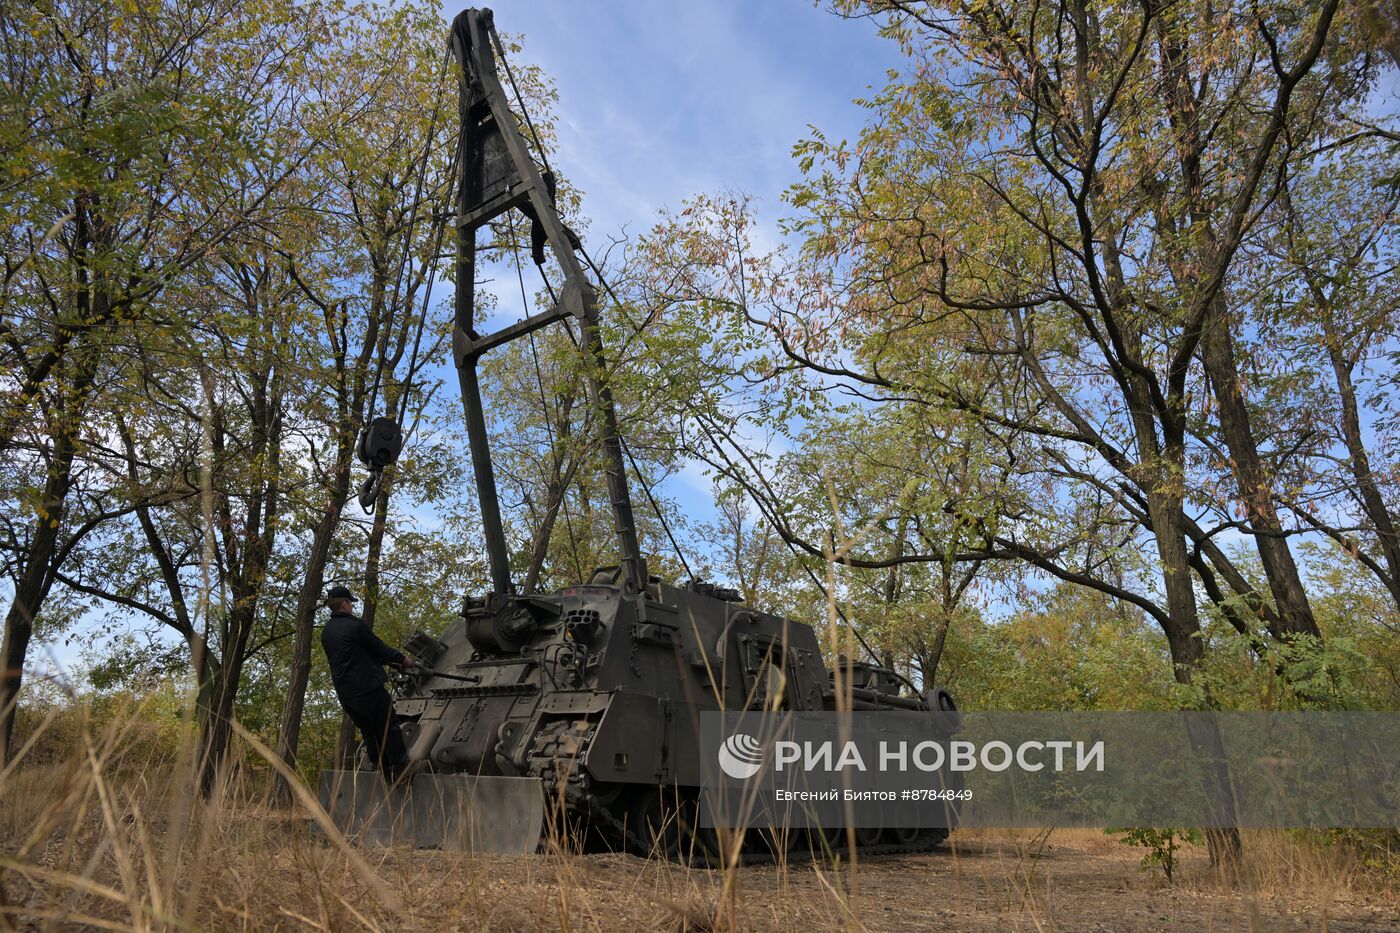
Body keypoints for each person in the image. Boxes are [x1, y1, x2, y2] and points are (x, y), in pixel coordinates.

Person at [320, 584, 413, 783]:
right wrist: (403, 660)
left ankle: (383, 771)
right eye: (350, 603)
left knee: (370, 732)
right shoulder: (354, 626)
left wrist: (390, 663)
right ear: (344, 604)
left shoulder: (327, 632)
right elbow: (379, 649)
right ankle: (401, 768)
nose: (352, 607)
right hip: (368, 688)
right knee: (389, 725)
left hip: (346, 694)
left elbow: (357, 655)